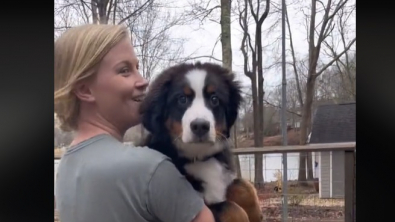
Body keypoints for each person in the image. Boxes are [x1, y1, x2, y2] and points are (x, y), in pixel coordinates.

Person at [54, 24, 215, 222]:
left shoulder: (68, 165)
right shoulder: (149, 168)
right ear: (85, 90)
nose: (143, 81)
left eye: (137, 67)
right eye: (124, 70)